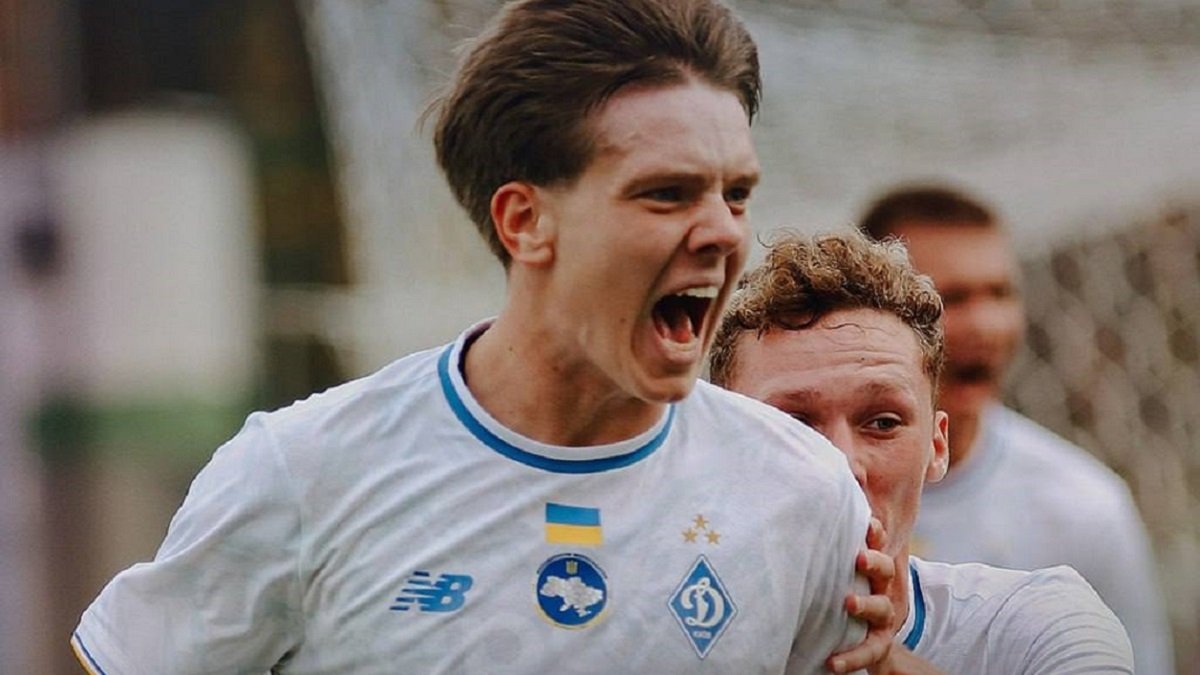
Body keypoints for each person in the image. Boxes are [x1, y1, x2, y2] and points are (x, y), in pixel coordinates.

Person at [70, 1, 888, 672]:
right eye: (666, 194)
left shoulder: (803, 491)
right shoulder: (304, 471)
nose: (722, 231)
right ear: (525, 221)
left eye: (736, 194)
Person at [711, 229, 1135, 673]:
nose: (843, 466)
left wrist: (889, 664)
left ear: (937, 445)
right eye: (793, 428)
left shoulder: (1034, 628)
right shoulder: (666, 634)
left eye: (882, 423)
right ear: (720, 454)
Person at [858, 185, 1174, 674]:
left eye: (1001, 293)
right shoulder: (802, 487)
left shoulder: (1083, 508)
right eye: (950, 298)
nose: (986, 325)